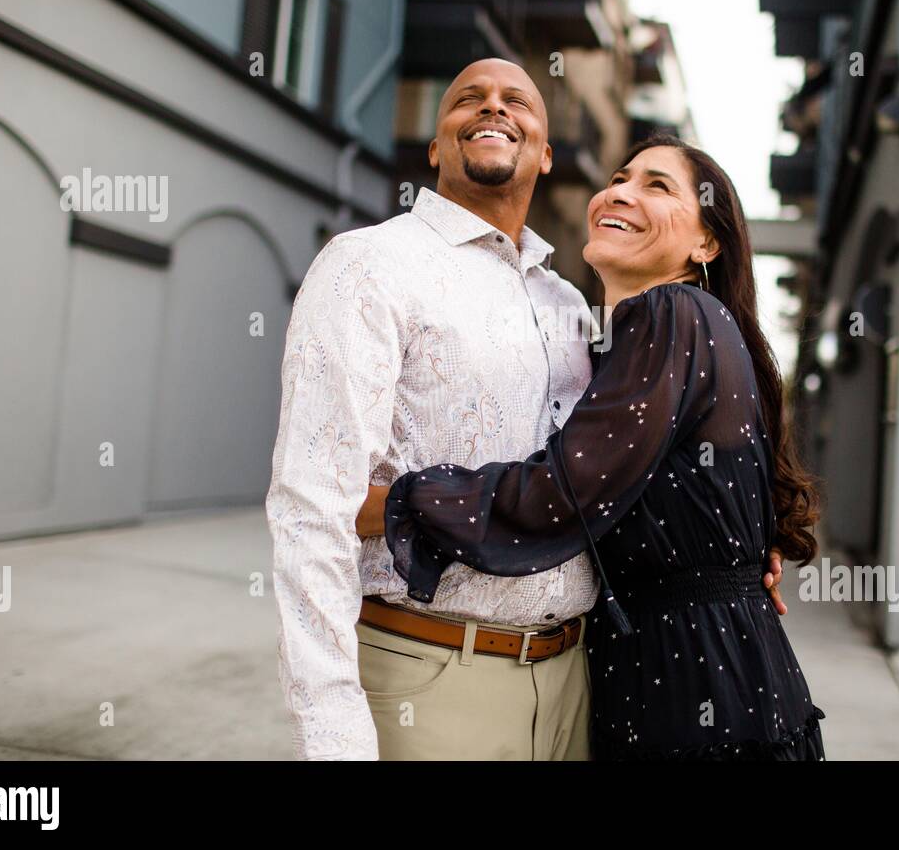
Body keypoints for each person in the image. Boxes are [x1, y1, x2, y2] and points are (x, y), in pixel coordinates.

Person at [266, 58, 786, 760]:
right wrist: (332, 730)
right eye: (467, 98)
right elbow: (309, 511)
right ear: (435, 145)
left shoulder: (571, 307)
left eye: (519, 99)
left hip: (581, 685)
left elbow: (588, 488)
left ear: (545, 153)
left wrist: (735, 551)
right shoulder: (369, 264)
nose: (492, 106)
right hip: (433, 675)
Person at [366, 132, 827, 760]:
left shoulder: (672, 314)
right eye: (619, 178)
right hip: (688, 672)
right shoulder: (640, 336)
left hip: (696, 695)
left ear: (706, 242)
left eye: (657, 185)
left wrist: (398, 503)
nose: (621, 193)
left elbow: (561, 495)